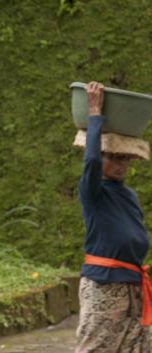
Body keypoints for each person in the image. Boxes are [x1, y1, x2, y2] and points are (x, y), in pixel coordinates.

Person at [76, 81, 151, 353]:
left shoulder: (127, 195)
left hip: (133, 288)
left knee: (136, 349)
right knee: (96, 348)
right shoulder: (92, 191)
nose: (120, 164)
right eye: (113, 157)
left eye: (125, 158)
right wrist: (95, 113)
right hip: (104, 286)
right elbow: (92, 161)